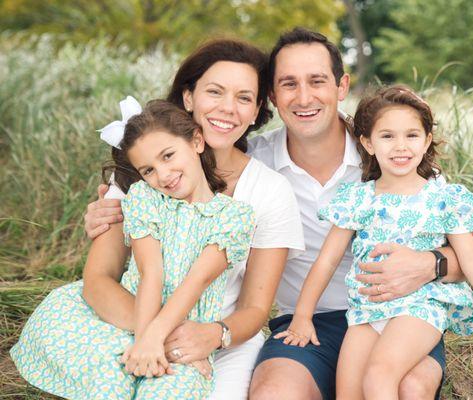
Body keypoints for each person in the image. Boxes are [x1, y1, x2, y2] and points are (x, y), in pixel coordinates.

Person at [86, 29, 473, 399]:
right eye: (288, 84)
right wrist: (112, 211)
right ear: (274, 99)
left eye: (316, 81)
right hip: (306, 324)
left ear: (341, 86)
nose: (303, 97)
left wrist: (430, 264)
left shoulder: (391, 155)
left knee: (408, 387)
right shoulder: (253, 165)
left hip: (399, 316)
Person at [27, 39, 305, 400]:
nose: (227, 108)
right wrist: (154, 335)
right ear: (188, 97)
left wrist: (205, 336)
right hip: (129, 321)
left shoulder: (268, 191)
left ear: (256, 112)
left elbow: (255, 308)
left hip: (218, 337)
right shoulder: (141, 172)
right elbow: (98, 279)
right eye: (215, 92)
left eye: (243, 98)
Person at [274, 85, 473, 400]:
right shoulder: (359, 198)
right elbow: (327, 260)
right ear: (368, 142)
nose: (400, 146)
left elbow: (472, 259)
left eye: (411, 135)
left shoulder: (442, 198)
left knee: (379, 377)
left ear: (427, 140)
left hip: (420, 308)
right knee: (348, 393)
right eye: (388, 136)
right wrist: (302, 315)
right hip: (366, 310)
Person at [11, 98, 260, 399]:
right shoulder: (146, 199)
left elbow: (198, 281)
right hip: (128, 321)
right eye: (148, 170)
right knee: (110, 386)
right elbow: (150, 272)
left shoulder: (235, 217)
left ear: (196, 141)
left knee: (169, 390)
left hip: (181, 331)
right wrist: (144, 341)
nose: (163, 175)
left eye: (168, 156)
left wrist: (158, 340)